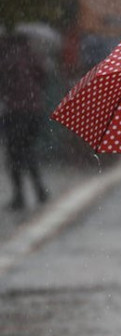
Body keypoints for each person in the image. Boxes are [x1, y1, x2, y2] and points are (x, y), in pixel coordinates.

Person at [0, 33, 49, 211]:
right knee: (28, 150)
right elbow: (43, 77)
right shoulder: (34, 56)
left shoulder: (7, 59)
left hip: (15, 111)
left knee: (14, 154)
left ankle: (19, 196)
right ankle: (39, 189)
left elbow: (4, 84)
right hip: (35, 110)